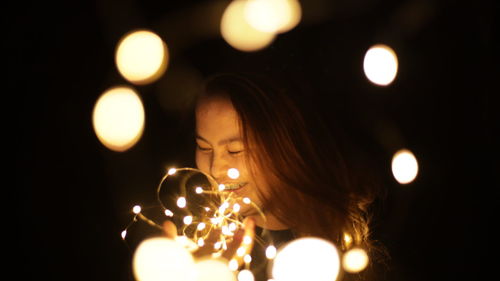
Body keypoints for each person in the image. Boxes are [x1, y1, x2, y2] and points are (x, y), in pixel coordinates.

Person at [164, 72, 388, 280]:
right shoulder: (194, 243)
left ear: (284, 145)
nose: (215, 169)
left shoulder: (350, 247)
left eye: (235, 150)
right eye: (203, 147)